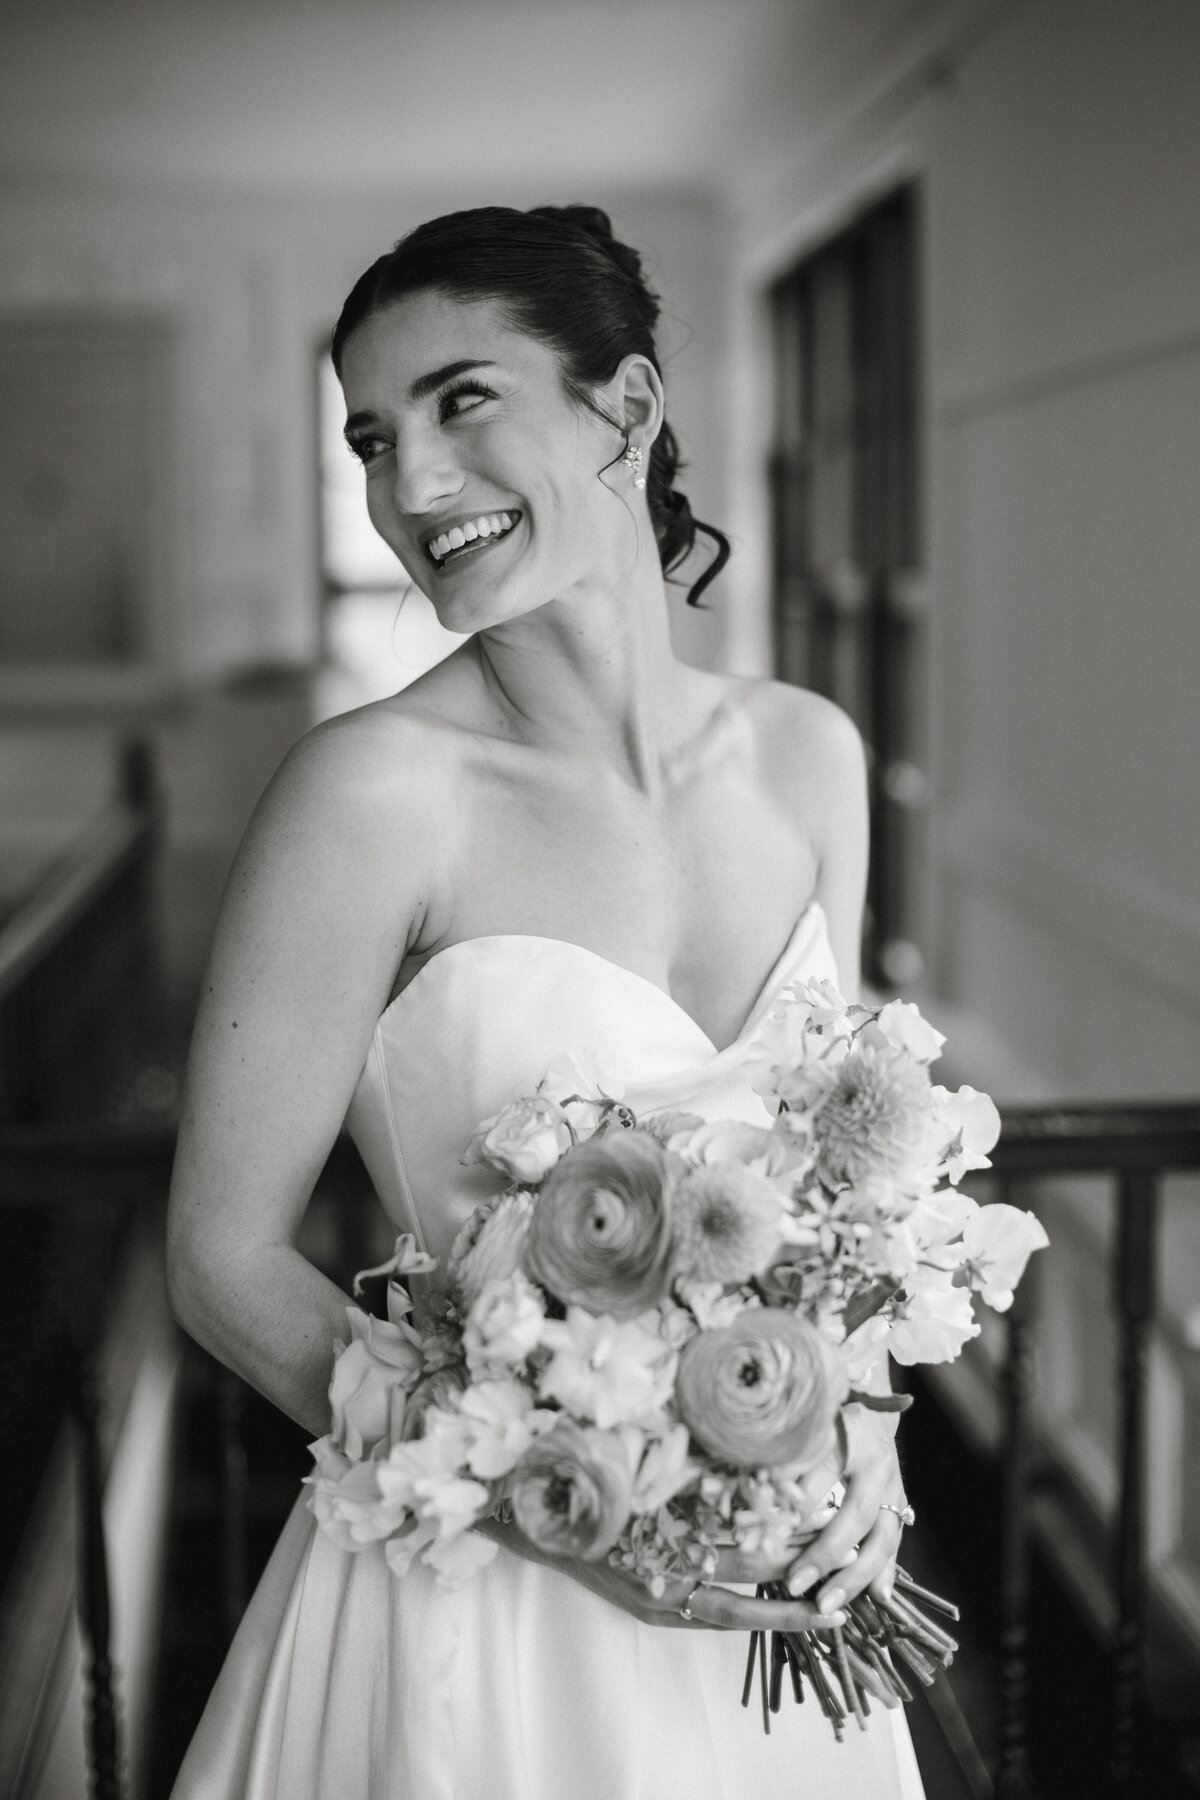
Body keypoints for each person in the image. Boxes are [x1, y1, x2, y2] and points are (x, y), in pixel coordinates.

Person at [166, 204, 926, 1799]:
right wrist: (557, 1503)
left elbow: (837, 1216)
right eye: (374, 440)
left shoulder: (811, 757)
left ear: (624, 410)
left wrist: (861, 1443)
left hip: (770, 1583)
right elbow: (221, 1264)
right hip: (480, 1617)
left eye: (463, 403)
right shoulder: (370, 795)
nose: (411, 485)